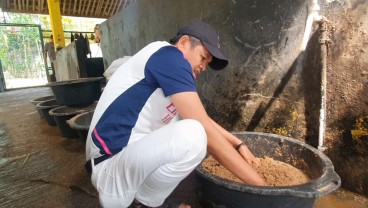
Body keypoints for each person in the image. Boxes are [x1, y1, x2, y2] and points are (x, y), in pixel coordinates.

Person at [85, 20, 267, 208]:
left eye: (207, 62)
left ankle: (146, 204)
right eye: (203, 57)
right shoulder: (169, 56)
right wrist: (261, 186)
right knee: (193, 135)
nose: (203, 67)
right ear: (183, 43)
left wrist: (238, 144)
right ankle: (144, 202)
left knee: (189, 126)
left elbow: (204, 120)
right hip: (109, 168)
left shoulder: (166, 67)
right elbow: (202, 126)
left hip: (125, 166)